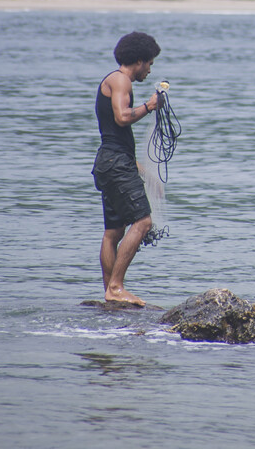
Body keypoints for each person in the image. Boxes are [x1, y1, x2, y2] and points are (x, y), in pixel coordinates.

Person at [91, 31, 162, 305]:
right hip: (115, 164)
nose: (150, 70)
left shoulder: (113, 80)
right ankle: (117, 288)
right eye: (150, 64)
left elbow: (113, 137)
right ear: (140, 60)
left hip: (110, 161)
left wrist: (141, 170)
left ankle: (110, 291)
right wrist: (149, 105)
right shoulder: (120, 80)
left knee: (113, 232)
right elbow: (121, 118)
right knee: (143, 222)